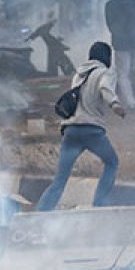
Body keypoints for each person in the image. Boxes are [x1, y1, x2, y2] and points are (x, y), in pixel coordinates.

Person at [37, 42, 125, 212]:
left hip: (71, 131)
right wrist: (115, 104)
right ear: (107, 57)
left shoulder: (79, 74)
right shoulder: (105, 73)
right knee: (112, 162)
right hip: (92, 131)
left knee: (60, 179)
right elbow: (105, 87)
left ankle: (41, 212)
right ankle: (99, 204)